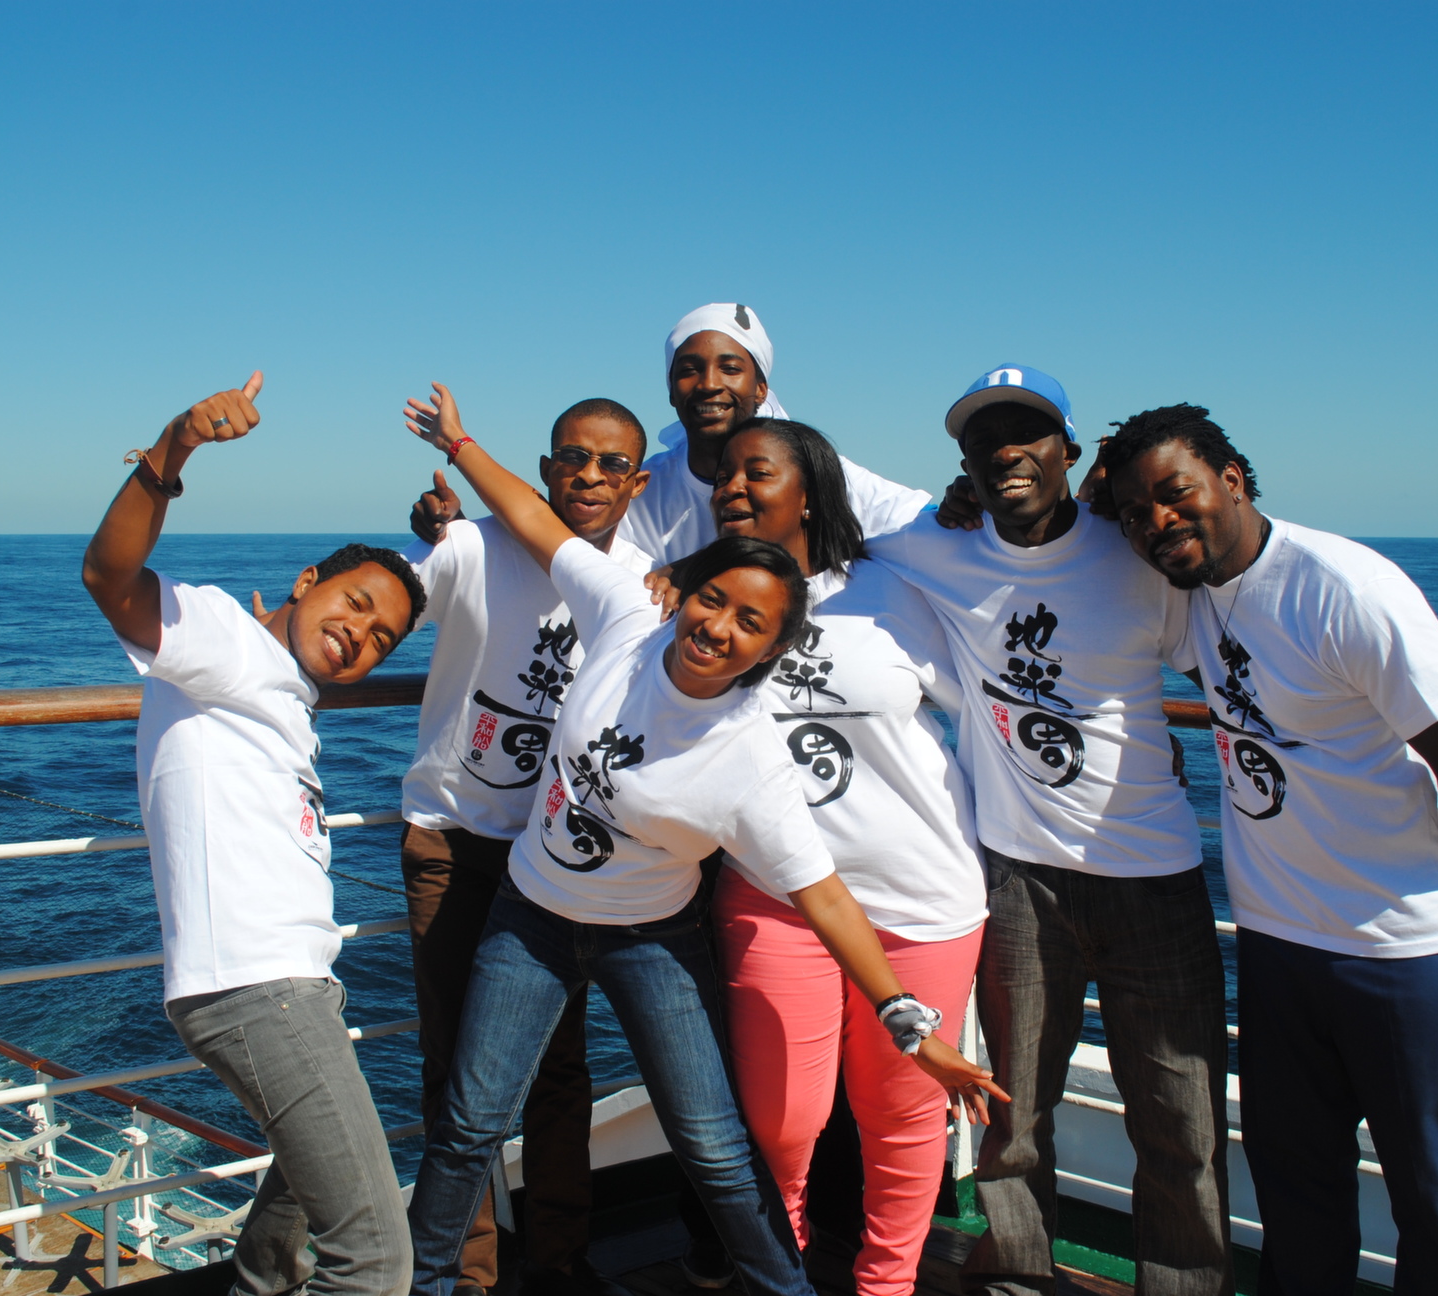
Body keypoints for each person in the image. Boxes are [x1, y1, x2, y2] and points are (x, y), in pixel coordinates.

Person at [397, 383, 1001, 1296]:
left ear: (773, 652)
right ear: (683, 590)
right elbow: (530, 517)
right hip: (532, 916)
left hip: (651, 937)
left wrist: (909, 1022)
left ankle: (784, 1287)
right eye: (712, 599)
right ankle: (429, 1283)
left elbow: (824, 895)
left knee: (717, 1143)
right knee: (470, 1125)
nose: (718, 628)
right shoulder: (627, 617)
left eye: (750, 623)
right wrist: (460, 443)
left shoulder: (749, 762)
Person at [1099, 404, 1438, 1295]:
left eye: (1176, 496)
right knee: (1298, 1195)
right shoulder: (1198, 592)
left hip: (1402, 955)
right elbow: (1099, 526)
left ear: (1233, 480)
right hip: (1282, 949)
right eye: (1136, 514)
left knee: (1436, 1205)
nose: (1157, 522)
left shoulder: (1343, 587)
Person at [865, 366, 1234, 1296]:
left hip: (1153, 875)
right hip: (1017, 880)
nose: (1005, 454)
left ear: (1071, 453)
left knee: (1180, 1120)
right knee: (1014, 1112)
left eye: (1027, 434)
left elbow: (1236, 635)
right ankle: (1017, 1275)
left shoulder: (1138, 554)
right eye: (985, 442)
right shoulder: (934, 547)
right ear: (963, 464)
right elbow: (815, 513)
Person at [81, 372, 424, 1296]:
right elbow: (110, 579)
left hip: (293, 986)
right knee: (375, 1260)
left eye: (385, 639)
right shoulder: (229, 642)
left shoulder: (286, 698)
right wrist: (172, 451)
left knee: (291, 1227)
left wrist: (436, 539)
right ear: (307, 582)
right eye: (354, 605)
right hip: (254, 989)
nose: (362, 636)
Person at [700, 418, 993, 1296]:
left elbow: (985, 712)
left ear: (812, 492)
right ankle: (777, 1279)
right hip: (776, 894)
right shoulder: (705, 599)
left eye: (757, 473)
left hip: (917, 896)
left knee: (901, 1118)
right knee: (782, 1124)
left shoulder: (893, 595)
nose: (733, 488)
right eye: (724, 476)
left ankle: (886, 1287)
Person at [397, 399, 654, 1296]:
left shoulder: (645, 584)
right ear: (544, 470)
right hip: (454, 846)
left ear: (637, 482)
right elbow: (389, 606)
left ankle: (559, 1266)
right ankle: (467, 1274)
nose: (588, 477)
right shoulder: (473, 550)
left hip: (558, 861)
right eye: (572, 460)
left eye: (610, 464)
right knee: (454, 1076)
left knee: (558, 1071)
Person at [410, 304, 931, 563]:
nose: (708, 384)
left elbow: (922, 523)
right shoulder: (644, 485)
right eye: (689, 369)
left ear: (761, 385)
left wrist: (968, 501)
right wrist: (461, 529)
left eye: (730, 368)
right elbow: (553, 530)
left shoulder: (818, 475)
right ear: (669, 389)